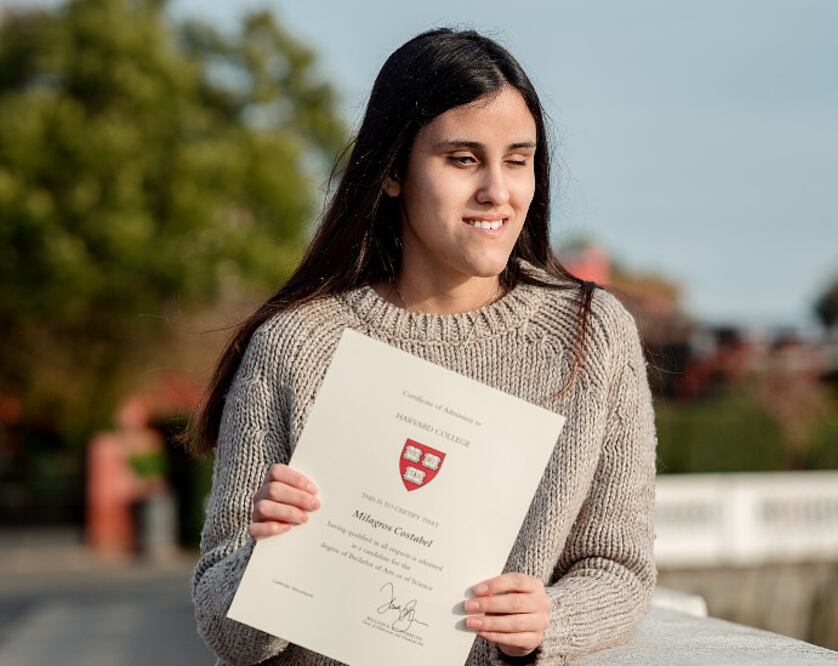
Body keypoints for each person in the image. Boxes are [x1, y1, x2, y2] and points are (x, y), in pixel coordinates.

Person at [186, 28, 658, 666]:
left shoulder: (593, 334)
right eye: (463, 159)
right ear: (392, 174)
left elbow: (619, 567)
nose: (498, 190)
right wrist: (269, 559)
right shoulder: (295, 346)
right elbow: (226, 632)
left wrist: (549, 618)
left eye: (518, 159)